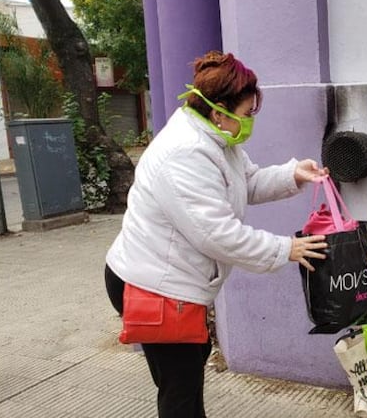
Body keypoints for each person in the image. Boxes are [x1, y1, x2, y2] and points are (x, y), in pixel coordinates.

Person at [104, 51, 329, 418]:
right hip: (152, 284)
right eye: (245, 114)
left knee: (187, 374)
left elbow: (247, 181)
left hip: (171, 280)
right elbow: (217, 234)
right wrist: (284, 248)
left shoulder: (214, 139)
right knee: (180, 387)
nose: (249, 122)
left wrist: (293, 175)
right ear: (218, 111)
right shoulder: (184, 153)